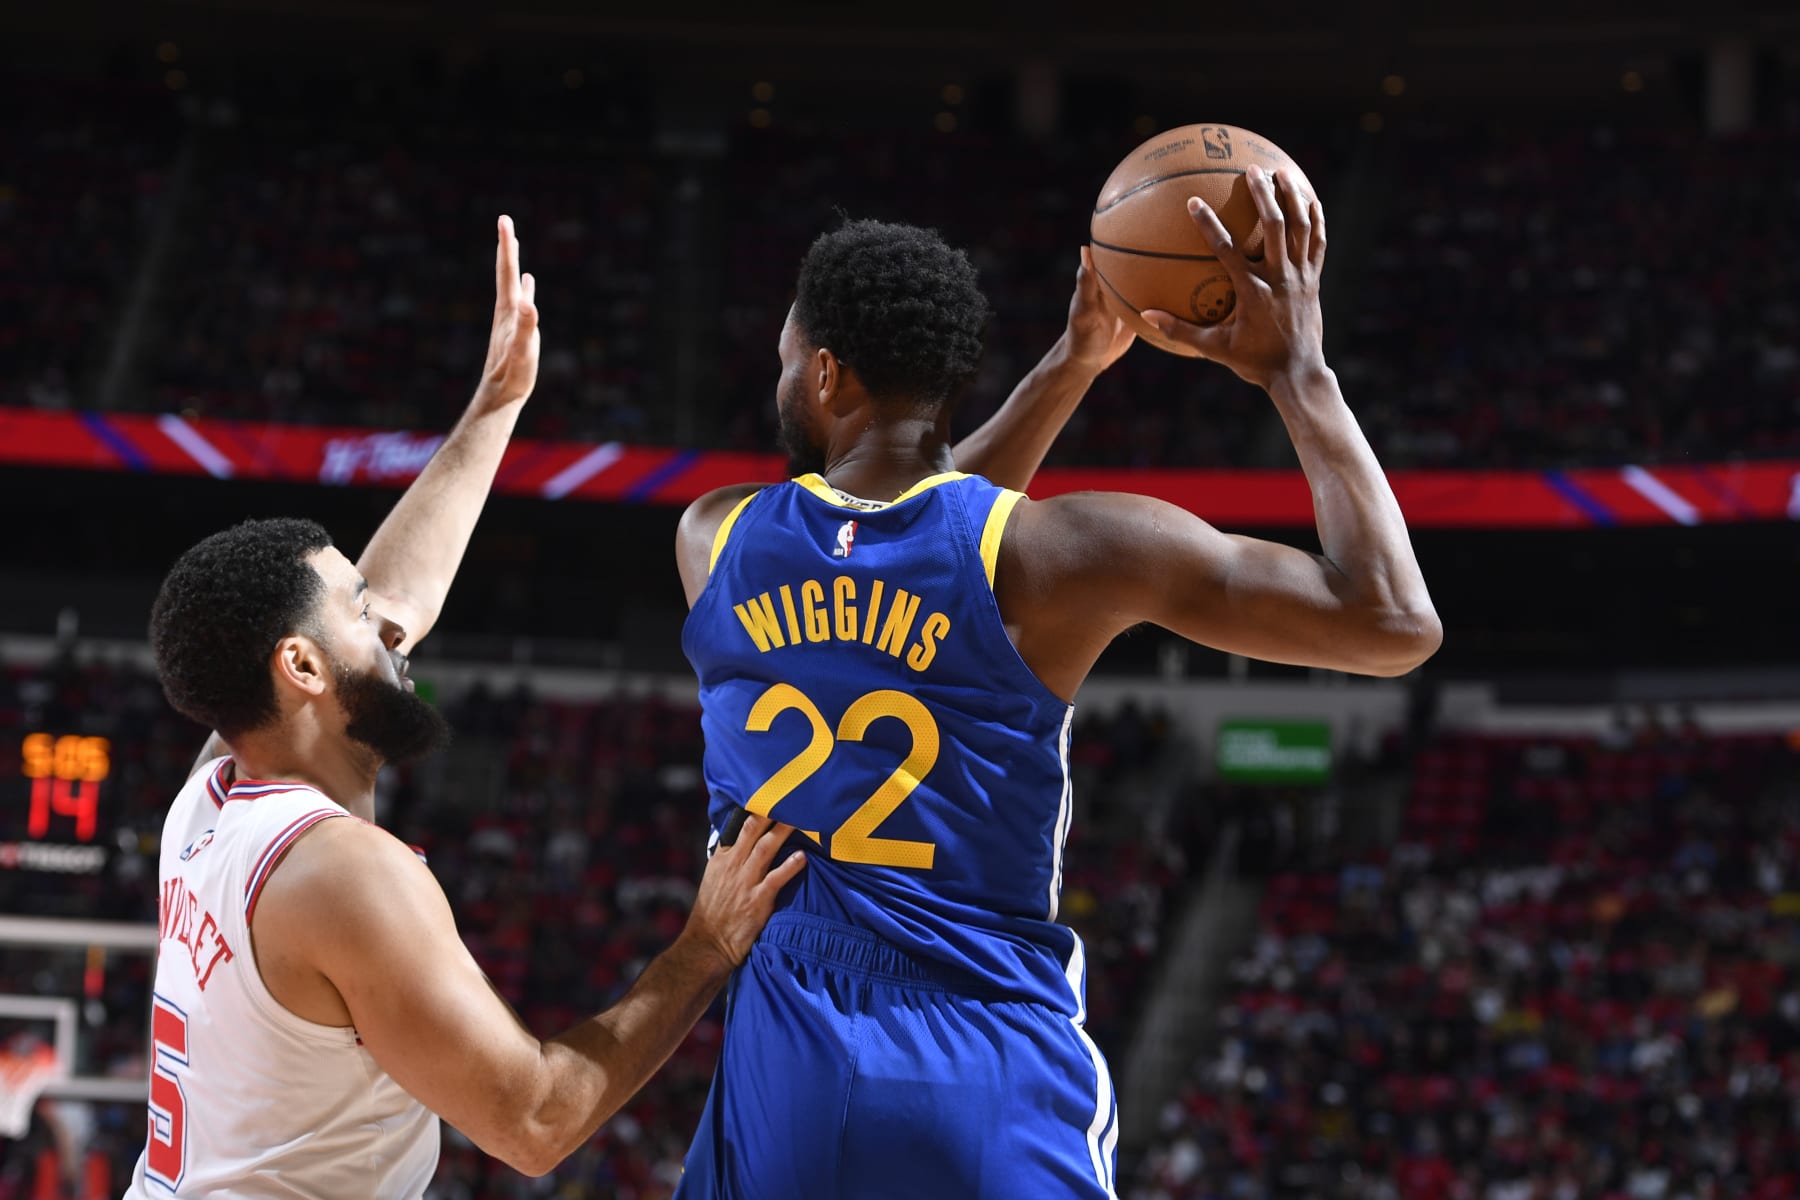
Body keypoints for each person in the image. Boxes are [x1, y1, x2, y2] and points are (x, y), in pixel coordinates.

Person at [672, 166, 1441, 1198]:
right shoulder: (1066, 553)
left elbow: (907, 523)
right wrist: (1299, 375)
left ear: (823, 375)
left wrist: (1068, 368)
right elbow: (1391, 622)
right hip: (984, 1041)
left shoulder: (716, 540)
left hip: (790, 1053)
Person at [126, 217, 806, 1197]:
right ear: (303, 669)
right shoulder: (343, 874)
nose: (391, 629)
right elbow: (535, 1120)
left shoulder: (214, 794)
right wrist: (704, 947)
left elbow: (397, 598)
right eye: (355, 614)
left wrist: (495, 405)